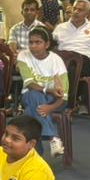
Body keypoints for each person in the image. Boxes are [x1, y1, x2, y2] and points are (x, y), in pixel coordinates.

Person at [17, 25, 68, 158]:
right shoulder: (23, 55)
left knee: (30, 112)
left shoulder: (56, 60)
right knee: (34, 94)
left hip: (53, 100)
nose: (33, 46)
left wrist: (50, 108)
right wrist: (47, 90)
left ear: (47, 44)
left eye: (38, 42)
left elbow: (64, 95)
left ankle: (36, 154)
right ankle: (52, 137)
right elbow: (29, 83)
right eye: (31, 42)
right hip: (29, 95)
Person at [51, 0, 90, 114]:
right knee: (68, 66)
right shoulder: (60, 27)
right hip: (64, 61)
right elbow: (50, 45)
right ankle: (71, 103)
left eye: (80, 10)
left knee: (73, 64)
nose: (76, 12)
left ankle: (69, 104)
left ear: (87, 13)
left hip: (84, 62)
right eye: (75, 9)